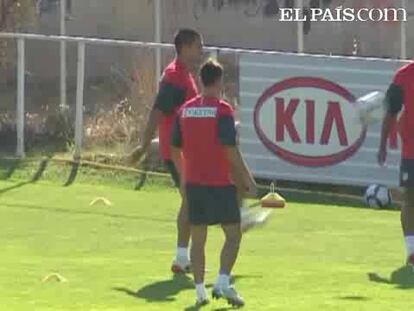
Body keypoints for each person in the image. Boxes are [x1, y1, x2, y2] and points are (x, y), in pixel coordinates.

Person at [171, 60, 256, 307]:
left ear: (200, 80)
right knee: (233, 235)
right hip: (219, 184)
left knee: (198, 239)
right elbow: (230, 150)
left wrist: (185, 174)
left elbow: (174, 148)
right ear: (219, 82)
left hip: (195, 185)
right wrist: (247, 179)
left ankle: (199, 292)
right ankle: (222, 282)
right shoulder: (223, 110)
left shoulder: (184, 110)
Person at [128, 29, 203, 273]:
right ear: (186, 46)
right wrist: (143, 145)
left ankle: (183, 257)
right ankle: (182, 257)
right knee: (191, 200)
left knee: (192, 200)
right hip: (177, 151)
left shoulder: (184, 75)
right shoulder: (175, 77)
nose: (201, 52)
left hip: (188, 149)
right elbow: (157, 112)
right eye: (198, 46)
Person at [377, 61, 414, 265]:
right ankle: (411, 253)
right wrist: (382, 144)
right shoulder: (404, 76)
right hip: (412, 150)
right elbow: (391, 111)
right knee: (410, 198)